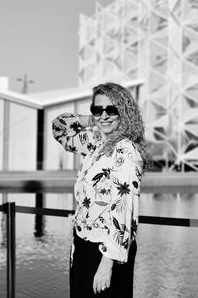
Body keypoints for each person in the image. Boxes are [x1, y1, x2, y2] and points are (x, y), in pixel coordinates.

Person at [52, 82, 150, 297]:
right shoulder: (95, 142)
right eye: (98, 109)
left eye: (111, 109)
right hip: (83, 243)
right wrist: (94, 120)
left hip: (106, 251)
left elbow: (124, 210)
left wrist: (107, 264)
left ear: (124, 112)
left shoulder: (126, 151)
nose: (104, 115)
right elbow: (59, 126)